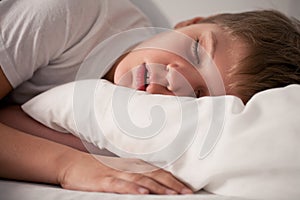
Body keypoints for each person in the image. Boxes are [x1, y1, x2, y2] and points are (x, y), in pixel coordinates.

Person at [0, 0, 299, 195]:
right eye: (196, 50)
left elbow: (11, 119)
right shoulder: (69, 14)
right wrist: (66, 165)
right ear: (188, 23)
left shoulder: (138, 127)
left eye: (197, 95)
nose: (174, 77)